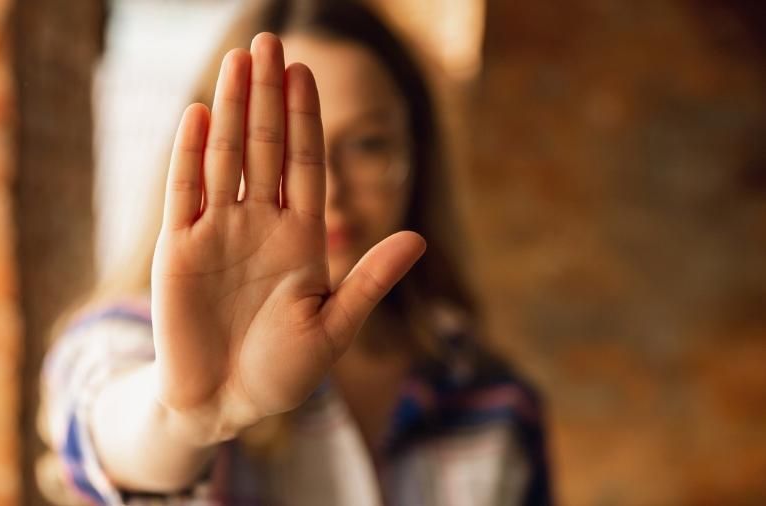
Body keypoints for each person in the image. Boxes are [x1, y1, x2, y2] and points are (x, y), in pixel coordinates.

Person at [37, 0, 551, 504]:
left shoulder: (493, 397)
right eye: (288, 151)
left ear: (418, 158)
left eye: (369, 144)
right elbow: (108, 424)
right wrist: (184, 417)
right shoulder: (134, 340)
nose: (331, 189)